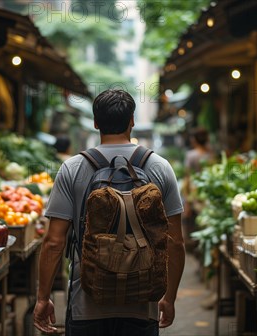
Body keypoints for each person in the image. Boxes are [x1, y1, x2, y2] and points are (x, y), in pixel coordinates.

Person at [34, 89, 186, 336]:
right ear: (132, 121)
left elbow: (53, 241)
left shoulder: (72, 169)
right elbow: (175, 241)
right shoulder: (160, 167)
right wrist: (169, 298)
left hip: (86, 303)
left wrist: (43, 297)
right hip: (142, 304)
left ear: (95, 123)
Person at [182, 127, 214, 247]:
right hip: (207, 193)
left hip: (194, 194)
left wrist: (186, 201)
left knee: (193, 226)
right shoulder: (211, 154)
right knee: (205, 225)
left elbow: (188, 178)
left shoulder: (191, 155)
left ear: (194, 140)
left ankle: (196, 249)